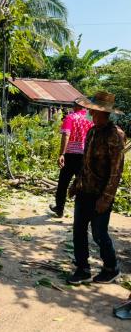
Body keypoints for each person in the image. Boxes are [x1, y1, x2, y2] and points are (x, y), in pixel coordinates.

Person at [67, 91, 126, 285]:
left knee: (99, 233)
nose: (92, 115)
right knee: (78, 230)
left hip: (101, 194)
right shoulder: (92, 131)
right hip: (85, 190)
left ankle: (111, 268)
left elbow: (116, 171)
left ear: (106, 114)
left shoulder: (115, 136)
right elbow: (85, 162)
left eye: (96, 112)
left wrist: (106, 198)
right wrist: (75, 184)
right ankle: (83, 269)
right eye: (92, 111)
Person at [50, 101, 94, 217]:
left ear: (76, 106)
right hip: (84, 156)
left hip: (70, 155)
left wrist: (61, 154)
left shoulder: (70, 117)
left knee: (63, 184)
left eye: (73, 105)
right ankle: (82, 212)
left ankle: (59, 208)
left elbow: (66, 135)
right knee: (81, 185)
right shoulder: (90, 120)